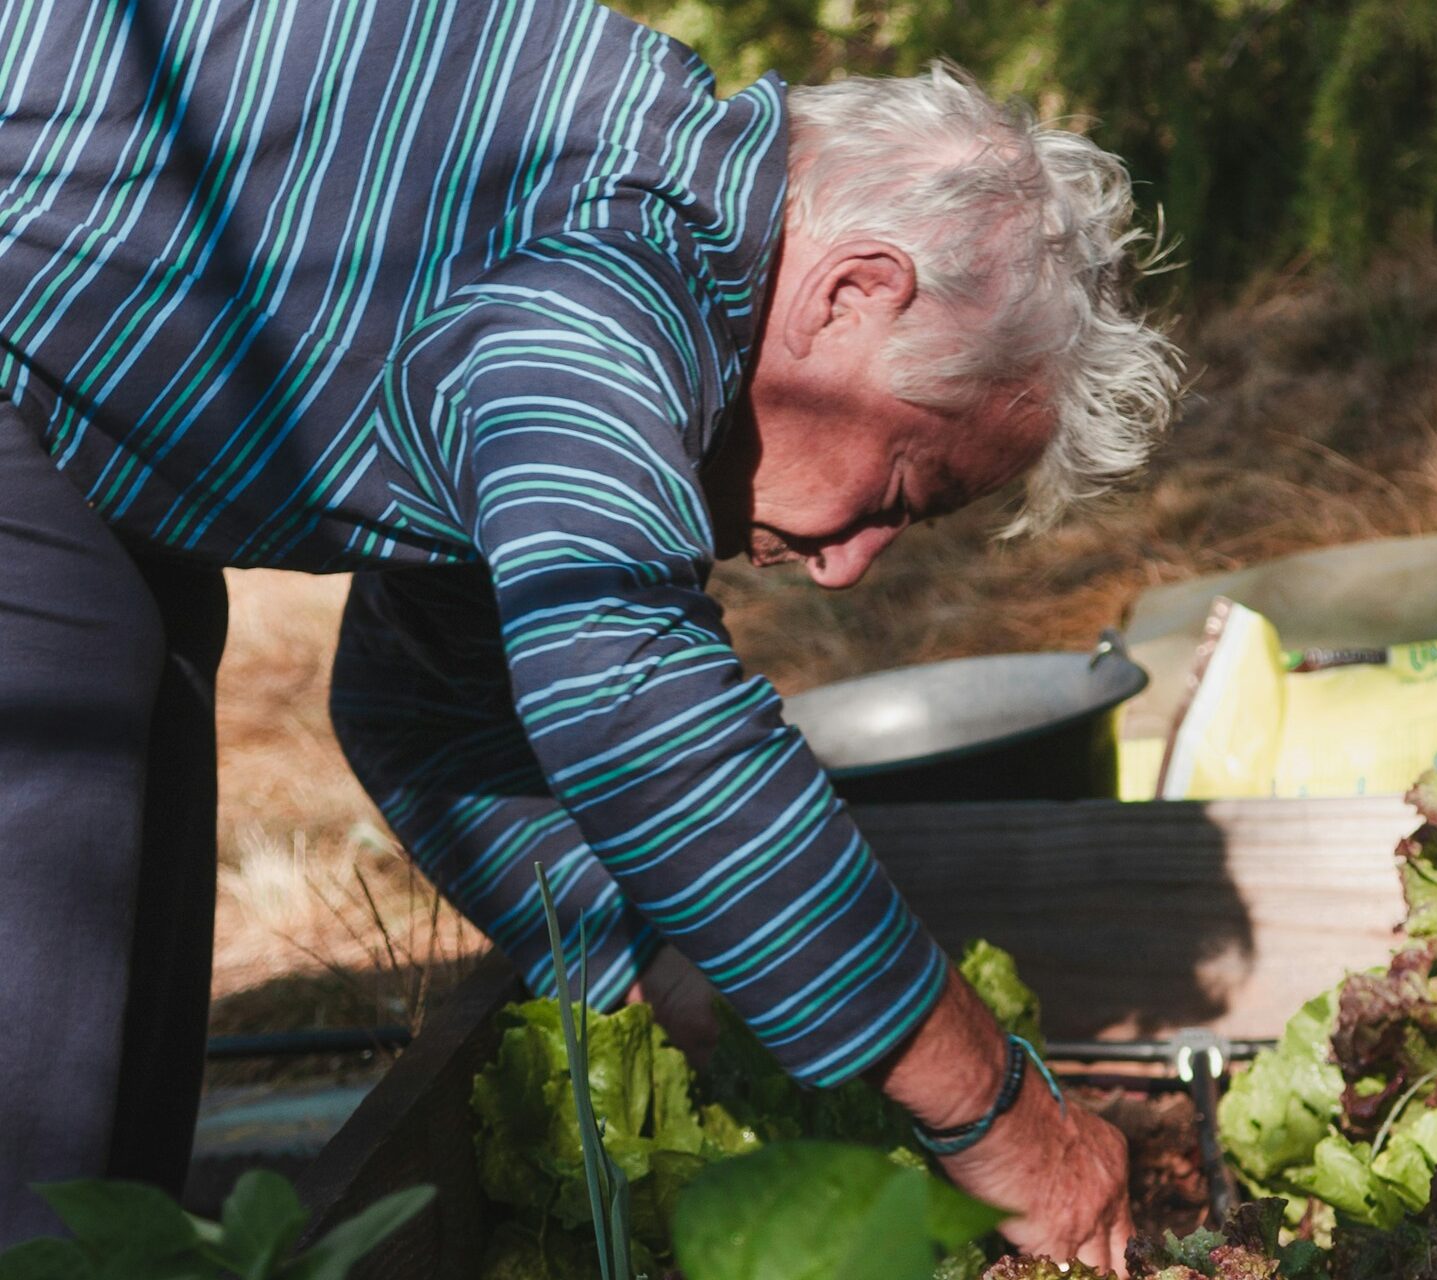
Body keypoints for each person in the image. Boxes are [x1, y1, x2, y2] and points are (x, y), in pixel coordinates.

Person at [0, 0, 1180, 1266]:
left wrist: (657, 958)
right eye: (901, 487)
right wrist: (997, 1112)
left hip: (69, 401)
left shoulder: (602, 234)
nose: (845, 565)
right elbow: (629, 697)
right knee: (50, 922)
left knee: (117, 936)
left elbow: (429, 698)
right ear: (855, 294)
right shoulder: (617, 263)